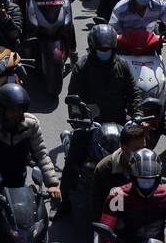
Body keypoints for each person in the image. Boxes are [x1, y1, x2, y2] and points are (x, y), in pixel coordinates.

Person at [57, 24, 142, 214]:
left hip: (119, 123)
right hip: (90, 124)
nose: (105, 52)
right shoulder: (82, 67)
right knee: (73, 160)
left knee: (142, 160)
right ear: (93, 47)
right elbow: (73, 98)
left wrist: (137, 116)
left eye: (108, 49)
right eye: (102, 49)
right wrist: (79, 119)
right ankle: (63, 201)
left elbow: (134, 93)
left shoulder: (122, 65)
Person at [0, 83, 60, 241]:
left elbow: (42, 154)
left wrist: (52, 183)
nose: (16, 113)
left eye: (19, 109)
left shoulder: (31, 123)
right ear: (2, 109)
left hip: (17, 184)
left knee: (32, 226)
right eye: (11, 109)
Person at [98, 149, 166, 243]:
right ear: (133, 178)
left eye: (150, 181)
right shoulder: (118, 197)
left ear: (157, 179)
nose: (147, 185)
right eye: (143, 181)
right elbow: (107, 229)